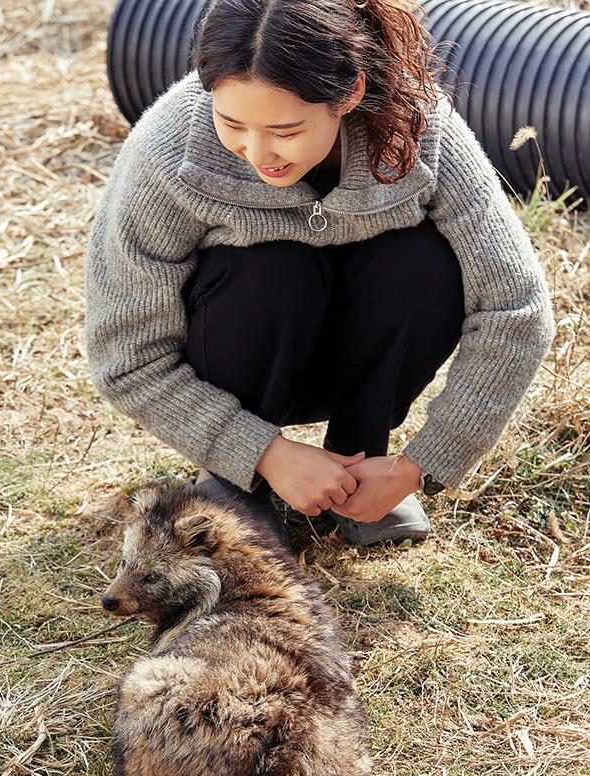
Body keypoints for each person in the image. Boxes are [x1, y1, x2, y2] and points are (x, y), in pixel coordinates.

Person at [84, 0, 554, 550]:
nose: (257, 152)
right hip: (239, 356)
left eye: (285, 129)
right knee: (269, 264)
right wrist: (262, 451)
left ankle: (362, 468)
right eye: (231, 122)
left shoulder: (419, 128)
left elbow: (516, 309)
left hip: (355, 353)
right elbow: (127, 357)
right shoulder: (169, 150)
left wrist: (418, 466)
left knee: (422, 261)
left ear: (349, 94)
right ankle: (233, 485)